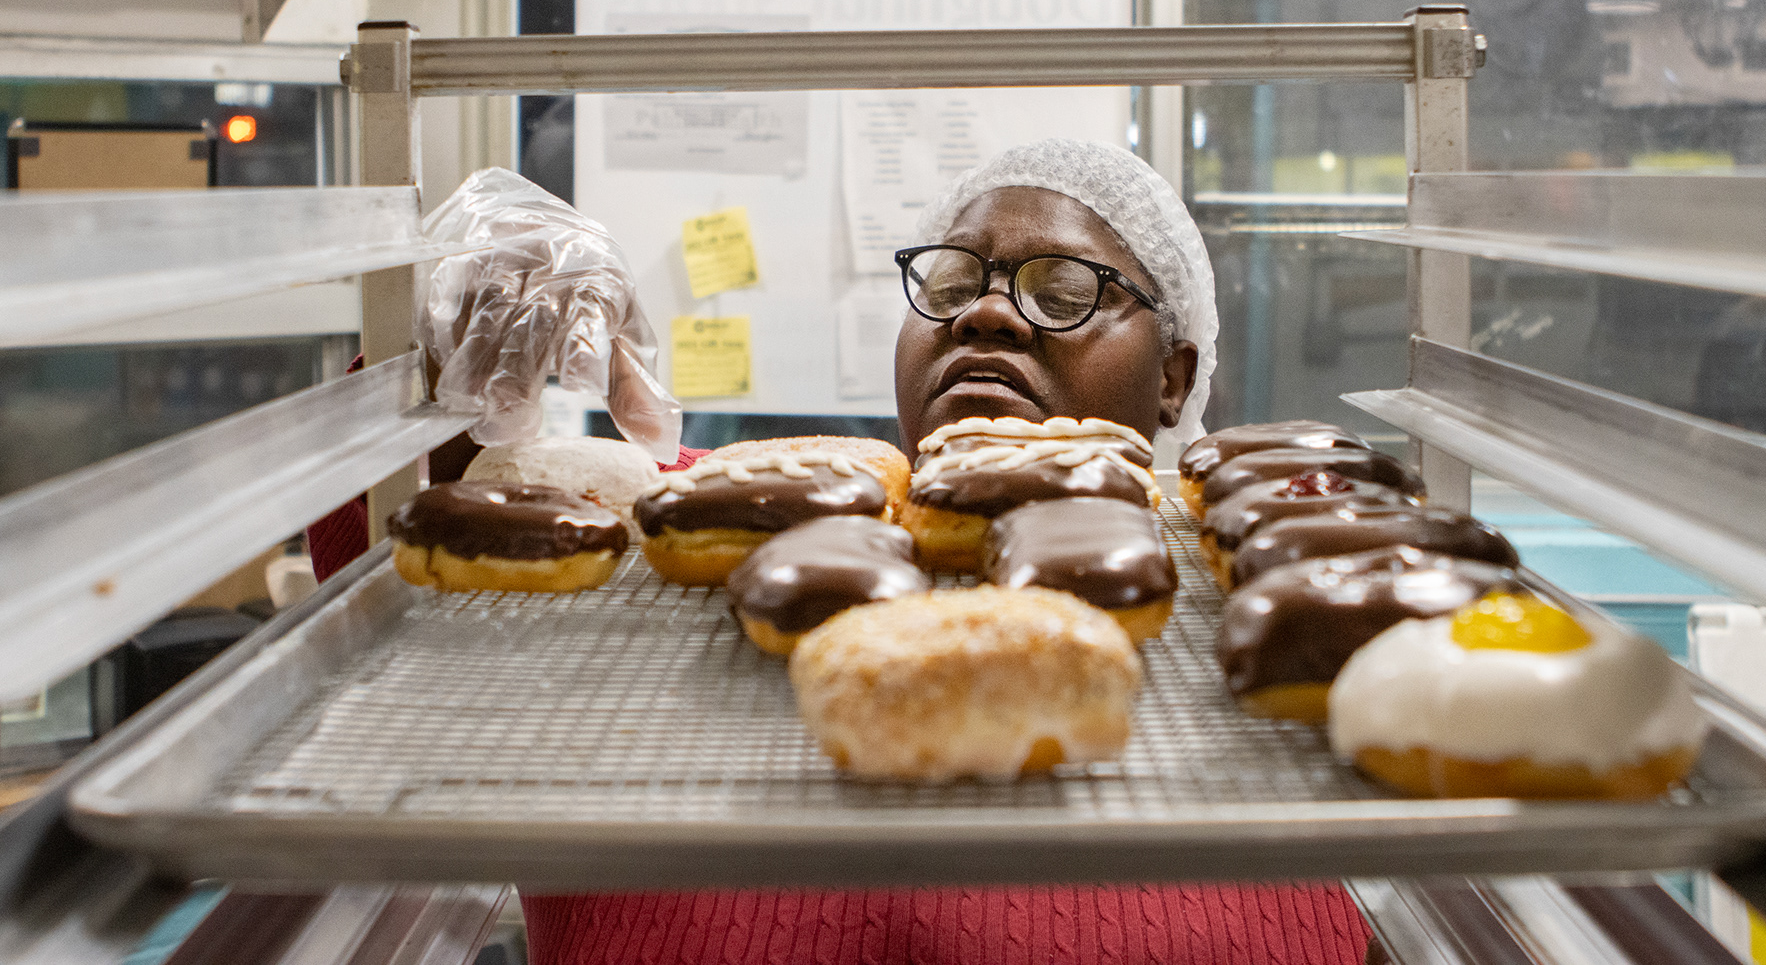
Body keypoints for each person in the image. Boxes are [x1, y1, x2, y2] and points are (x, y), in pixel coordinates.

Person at [311, 142, 1376, 965]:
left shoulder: (1267, 614)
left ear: (1175, 378)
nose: (988, 313)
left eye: (1063, 294)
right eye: (953, 283)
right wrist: (457, 337)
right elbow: (391, 530)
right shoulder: (721, 522)